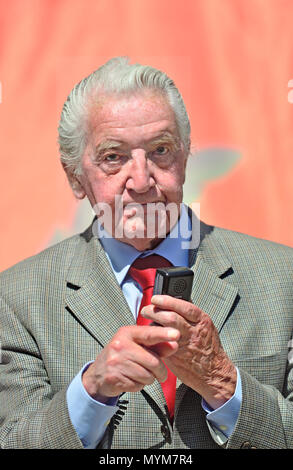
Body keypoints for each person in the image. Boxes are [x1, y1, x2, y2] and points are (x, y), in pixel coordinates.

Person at [0, 57, 293, 450]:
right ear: (75, 177)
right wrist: (90, 392)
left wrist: (224, 383)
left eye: (160, 150)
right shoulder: (18, 298)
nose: (141, 181)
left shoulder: (283, 276)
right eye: (113, 157)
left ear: (186, 157)